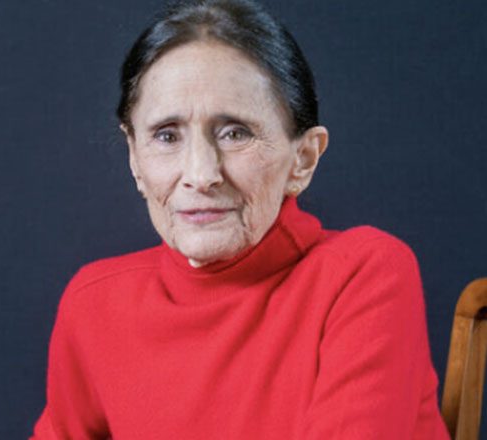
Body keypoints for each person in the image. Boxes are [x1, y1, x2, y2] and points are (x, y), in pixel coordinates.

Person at [31, 0, 450, 438]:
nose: (201, 175)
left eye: (235, 133)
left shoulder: (364, 275)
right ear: (135, 157)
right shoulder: (94, 303)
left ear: (304, 159)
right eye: (167, 136)